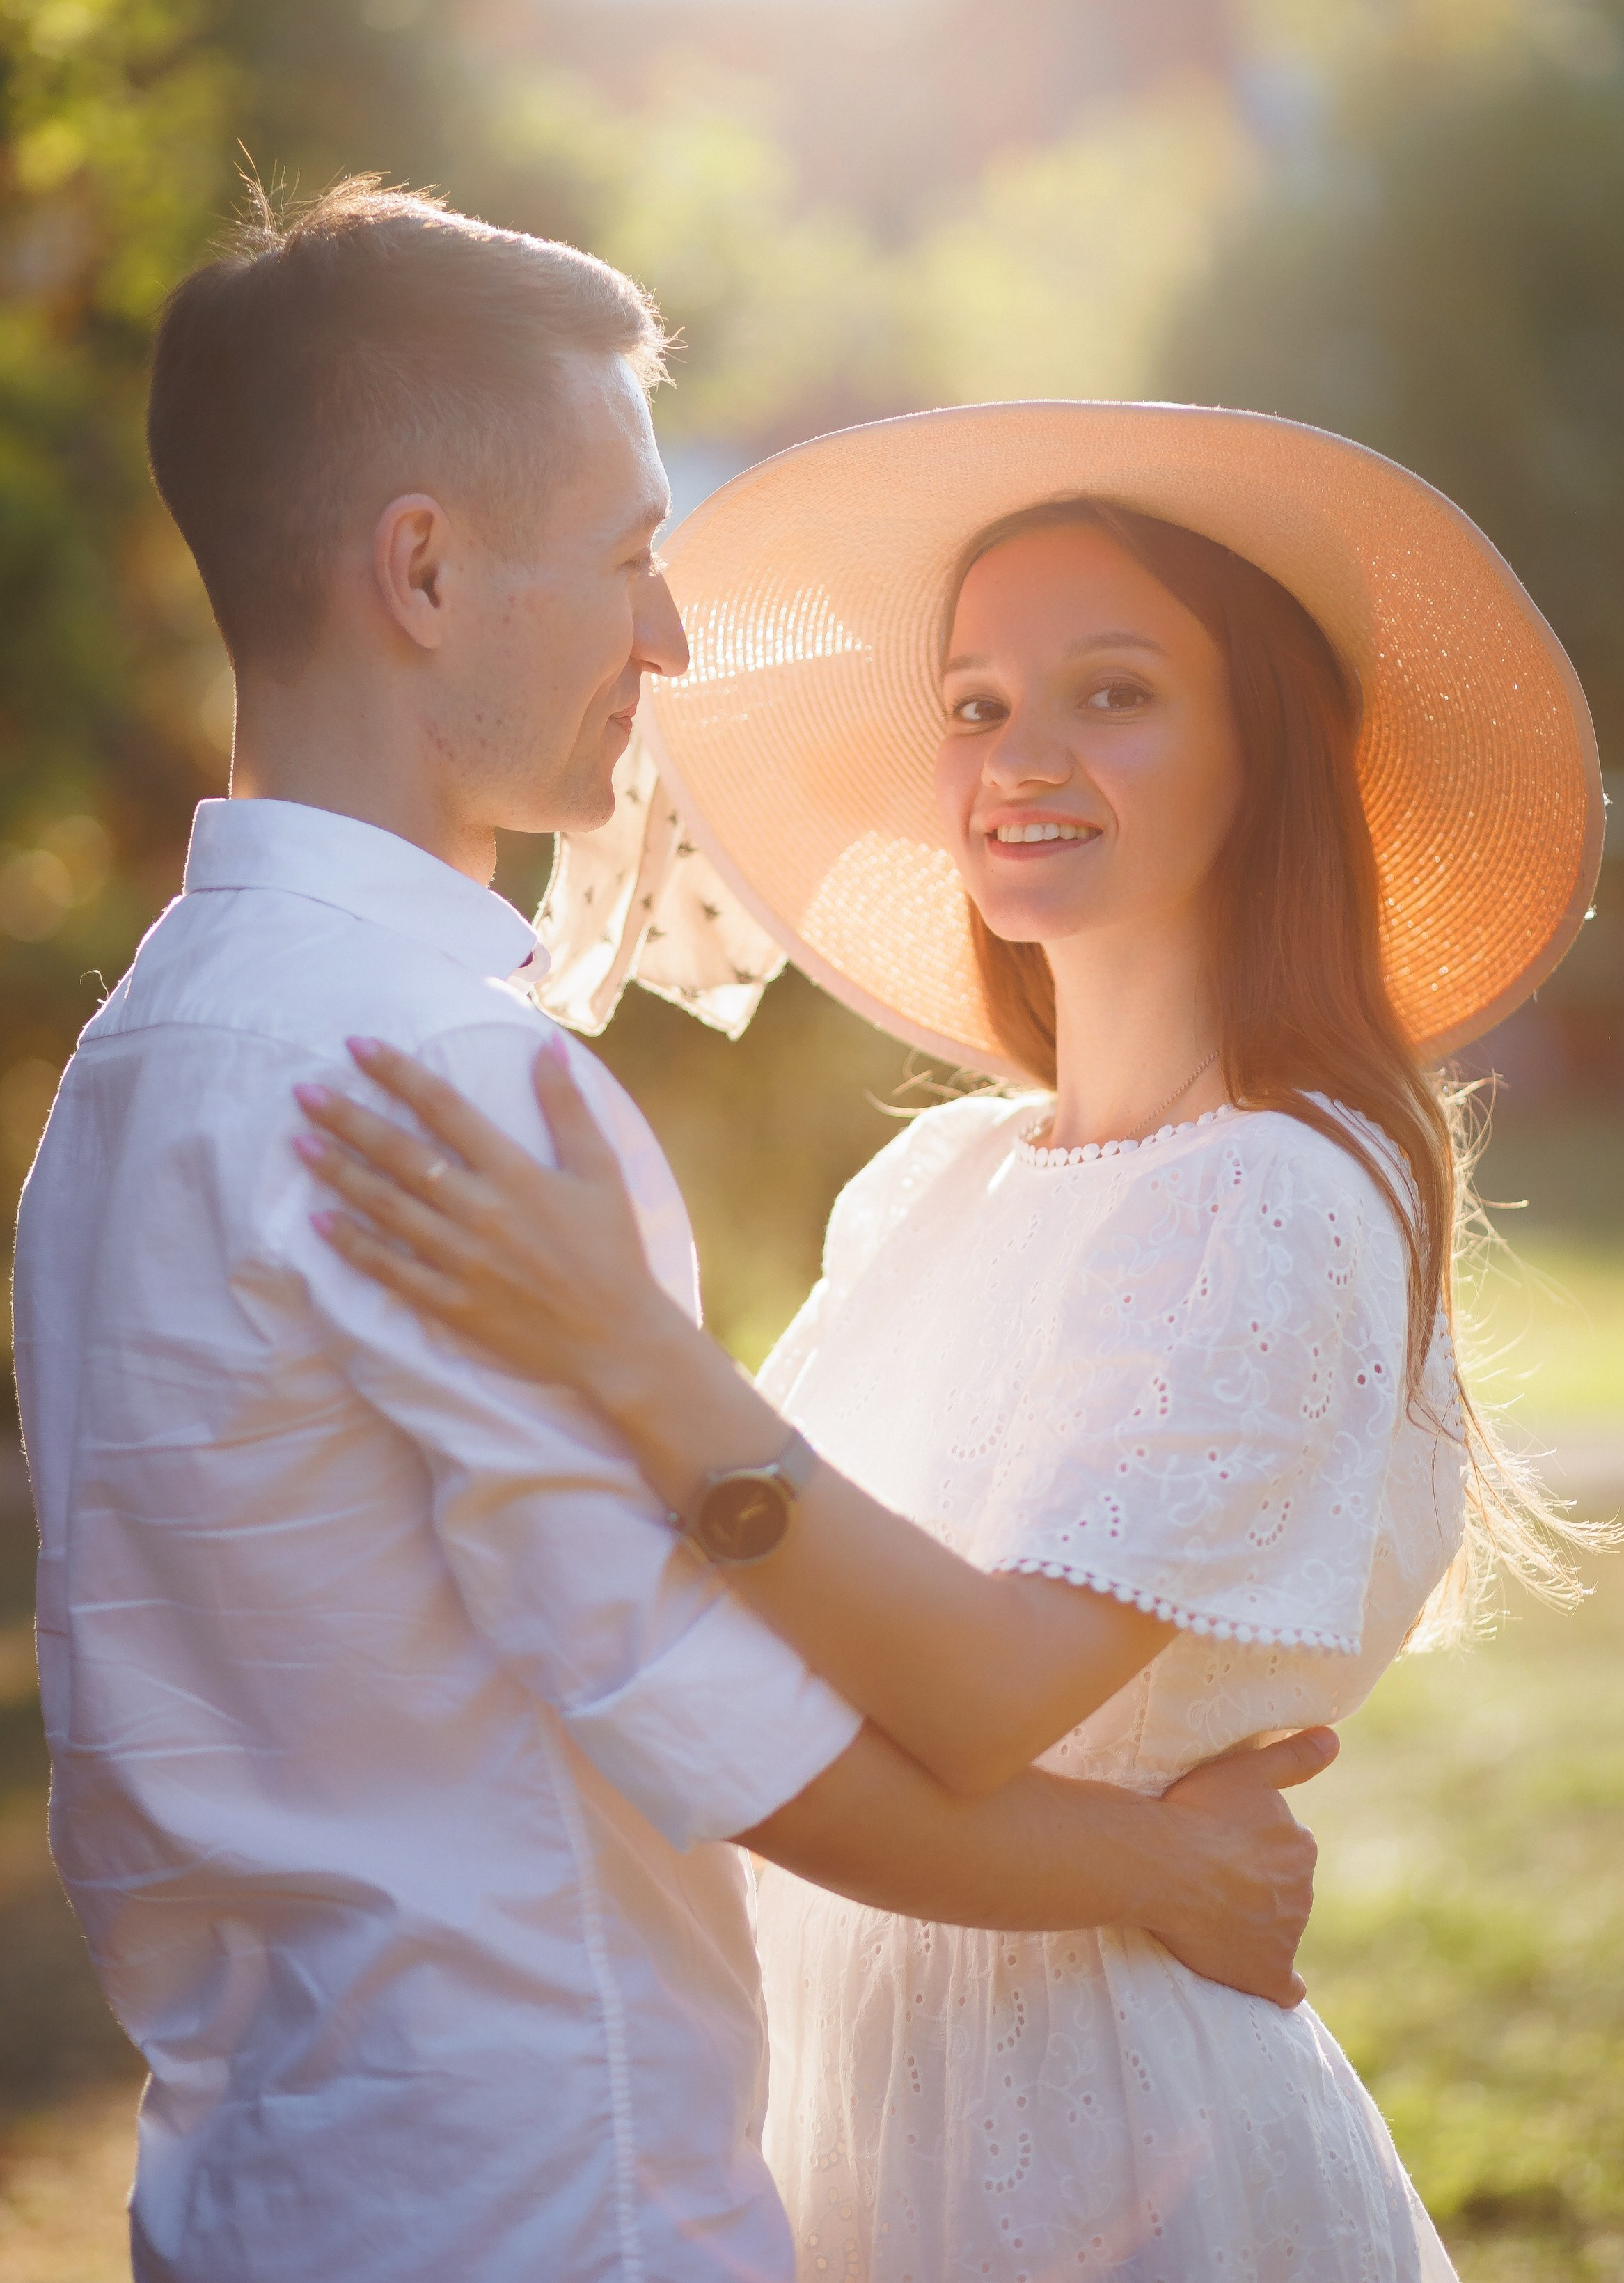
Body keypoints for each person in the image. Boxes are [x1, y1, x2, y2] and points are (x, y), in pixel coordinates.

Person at [10, 191, 1328, 2283]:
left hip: (249, 2190)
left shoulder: (124, 1069)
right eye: (633, 556)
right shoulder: (449, 1089)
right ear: (423, 569)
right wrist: (1159, 1865)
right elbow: (719, 1726)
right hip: (542, 2200)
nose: (670, 640)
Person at [294, 401, 1607, 2280]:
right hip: (826, 2090)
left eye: (1115, 692)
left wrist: (622, 1343)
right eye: (979, 704)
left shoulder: (1287, 1192)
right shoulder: (937, 1178)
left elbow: (989, 1689)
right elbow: (764, 1592)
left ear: (1271, 753)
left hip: (1095, 2119)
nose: (1022, 756)